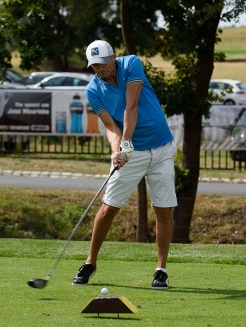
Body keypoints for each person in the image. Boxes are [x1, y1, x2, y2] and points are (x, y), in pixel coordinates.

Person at [72, 40, 177, 289]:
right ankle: (90, 262)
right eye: (95, 66)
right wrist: (117, 150)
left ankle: (161, 270)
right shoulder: (93, 90)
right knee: (109, 207)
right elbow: (111, 126)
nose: (100, 69)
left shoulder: (131, 64)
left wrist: (126, 142)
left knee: (163, 209)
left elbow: (132, 105)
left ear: (114, 57)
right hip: (132, 152)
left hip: (161, 147)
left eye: (103, 63)